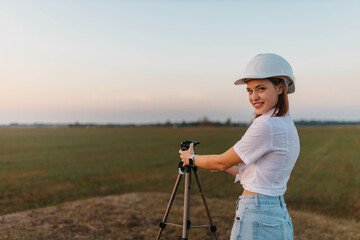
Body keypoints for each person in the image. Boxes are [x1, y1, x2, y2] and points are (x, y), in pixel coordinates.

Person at [179, 53, 300, 240]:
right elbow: (260, 176)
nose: (254, 97)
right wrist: (225, 167)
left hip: (256, 214)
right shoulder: (286, 123)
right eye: (250, 91)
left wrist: (191, 158)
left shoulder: (266, 125)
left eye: (261, 88)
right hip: (278, 214)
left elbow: (220, 162)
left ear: (280, 88)